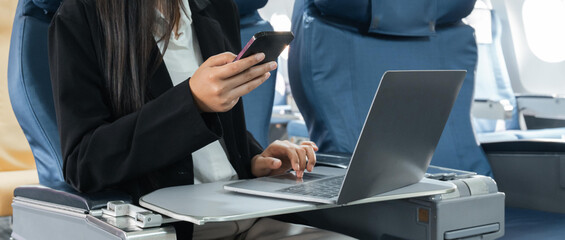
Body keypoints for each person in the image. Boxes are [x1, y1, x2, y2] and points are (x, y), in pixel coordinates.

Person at [49, 0, 354, 239]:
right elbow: (84, 162)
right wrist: (190, 101)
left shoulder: (219, 8)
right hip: (170, 229)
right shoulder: (79, 18)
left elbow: (220, 134)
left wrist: (254, 160)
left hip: (246, 217)